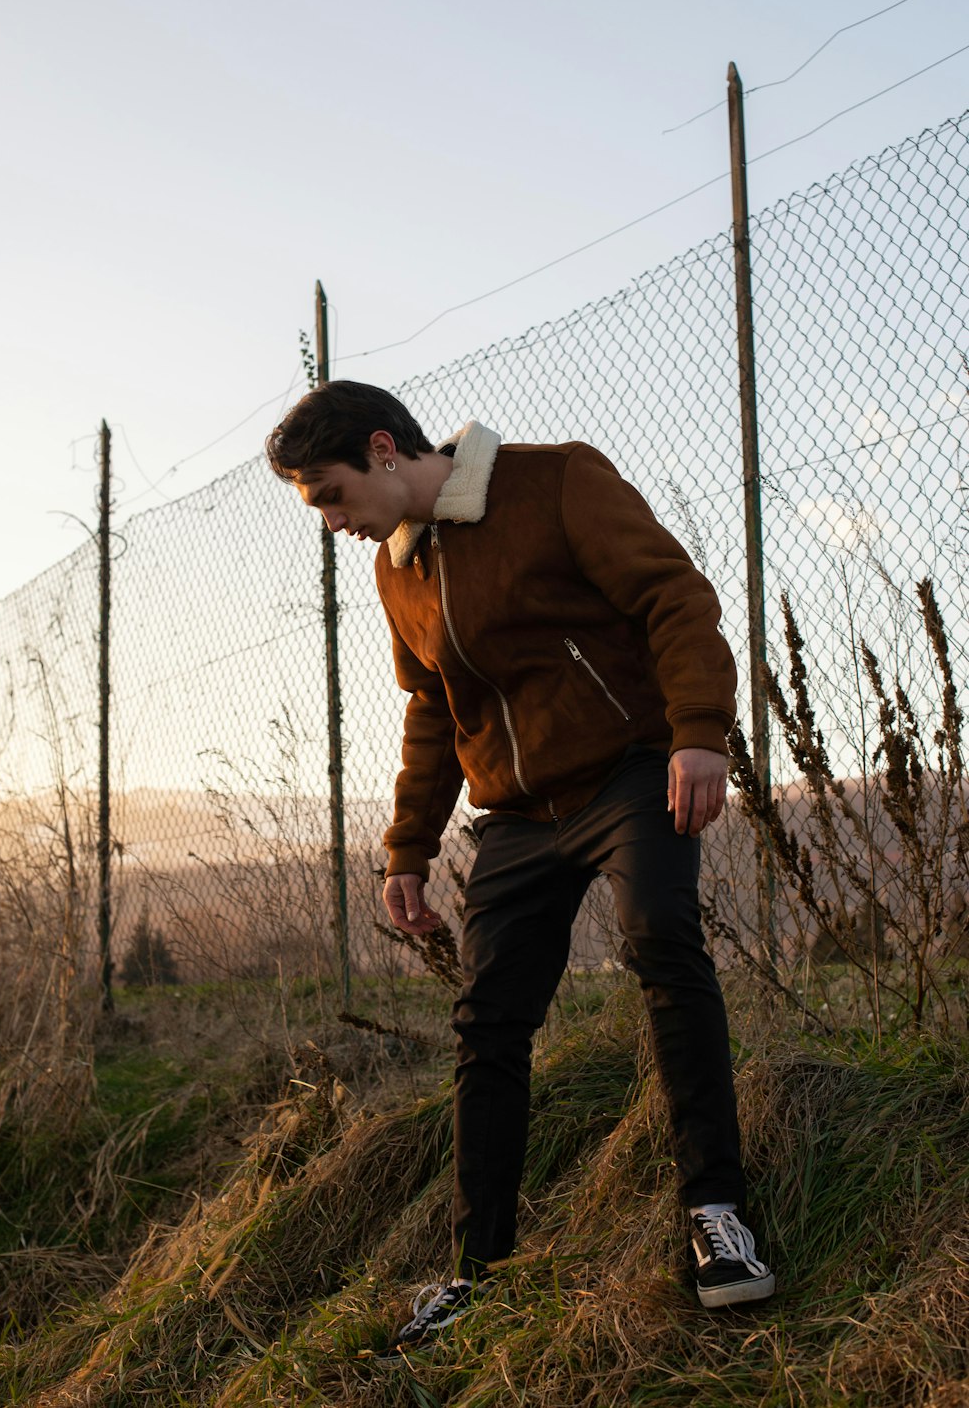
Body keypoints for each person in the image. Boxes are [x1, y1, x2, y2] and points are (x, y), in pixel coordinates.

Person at [266, 380, 774, 1353]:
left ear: (383, 450)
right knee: (487, 1023)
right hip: (516, 814)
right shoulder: (398, 572)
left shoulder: (555, 482)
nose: (331, 523)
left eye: (329, 496)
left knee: (661, 943)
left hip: (631, 770)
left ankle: (716, 1217)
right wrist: (406, 848)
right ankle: (477, 1268)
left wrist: (700, 732)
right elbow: (430, 712)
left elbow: (673, 596)